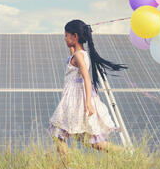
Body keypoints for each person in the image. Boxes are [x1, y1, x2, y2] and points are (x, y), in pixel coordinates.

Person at [48, 19, 128, 166]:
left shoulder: (78, 56)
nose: (64, 38)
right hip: (76, 98)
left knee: (58, 132)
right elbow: (72, 57)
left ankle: (68, 165)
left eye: (66, 35)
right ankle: (125, 153)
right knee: (87, 140)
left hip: (75, 100)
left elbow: (86, 77)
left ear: (75, 36)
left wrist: (89, 103)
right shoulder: (79, 53)